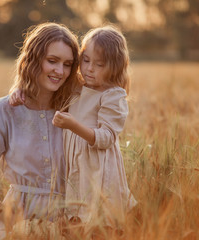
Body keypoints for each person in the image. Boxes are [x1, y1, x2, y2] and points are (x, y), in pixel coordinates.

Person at [10, 25, 137, 236]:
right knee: (74, 221)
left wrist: (73, 126)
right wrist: (19, 89)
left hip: (96, 171)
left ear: (114, 67)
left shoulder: (113, 96)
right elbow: (45, 87)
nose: (89, 69)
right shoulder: (78, 85)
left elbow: (106, 138)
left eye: (99, 64)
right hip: (74, 167)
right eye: (85, 60)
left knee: (100, 223)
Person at [0, 22, 80, 239]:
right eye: (52, 61)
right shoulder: (3, 111)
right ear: (33, 60)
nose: (60, 71)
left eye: (67, 64)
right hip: (19, 227)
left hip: (70, 225)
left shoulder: (76, 110)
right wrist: (10, 220)